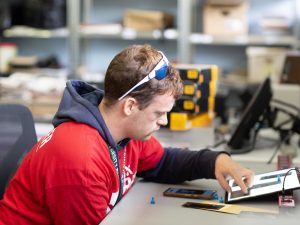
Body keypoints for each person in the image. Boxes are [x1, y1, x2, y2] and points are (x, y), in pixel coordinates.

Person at [0, 44, 254, 225]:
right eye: (158, 114)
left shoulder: (123, 132)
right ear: (130, 106)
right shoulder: (80, 160)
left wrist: (215, 162)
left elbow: (162, 162)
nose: (163, 122)